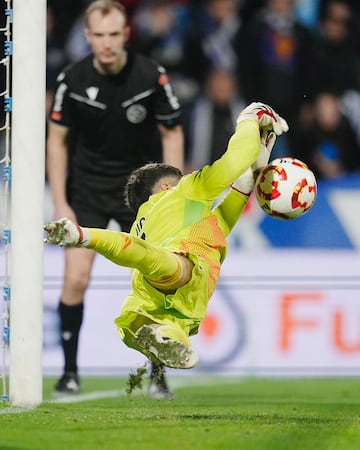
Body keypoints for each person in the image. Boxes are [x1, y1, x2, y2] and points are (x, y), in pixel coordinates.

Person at [44, 102, 288, 370]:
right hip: (181, 268)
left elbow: (220, 224)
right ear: (166, 185)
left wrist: (248, 181)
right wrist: (249, 120)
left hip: (151, 294)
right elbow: (236, 158)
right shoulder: (183, 190)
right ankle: (82, 235)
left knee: (150, 324)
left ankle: (157, 335)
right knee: (150, 259)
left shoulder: (142, 223)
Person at [46, 0, 184, 399]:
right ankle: (69, 373)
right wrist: (61, 201)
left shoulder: (150, 76)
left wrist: (172, 193)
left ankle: (159, 376)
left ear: (125, 34)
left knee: (155, 283)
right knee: (75, 278)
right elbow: (56, 141)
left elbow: (172, 131)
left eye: (113, 35)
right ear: (88, 36)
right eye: (99, 35)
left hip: (139, 194)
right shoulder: (72, 79)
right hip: (87, 190)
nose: (106, 43)